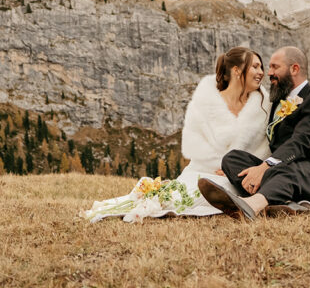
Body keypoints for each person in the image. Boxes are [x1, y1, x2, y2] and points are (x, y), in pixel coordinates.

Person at [83, 46, 270, 222]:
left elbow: (265, 146)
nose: (261, 72)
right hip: (205, 169)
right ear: (237, 71)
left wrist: (234, 169)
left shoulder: (263, 103)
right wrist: (217, 164)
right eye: (255, 66)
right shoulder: (213, 101)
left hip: (240, 176)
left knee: (205, 196)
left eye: (261, 66)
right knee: (177, 195)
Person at [199, 45, 310, 220]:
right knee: (232, 159)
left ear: (294, 69)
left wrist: (264, 167)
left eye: (274, 67)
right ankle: (276, 201)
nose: (268, 73)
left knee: (287, 170)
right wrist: (256, 167)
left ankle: (251, 205)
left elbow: (302, 143)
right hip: (287, 169)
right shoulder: (278, 103)